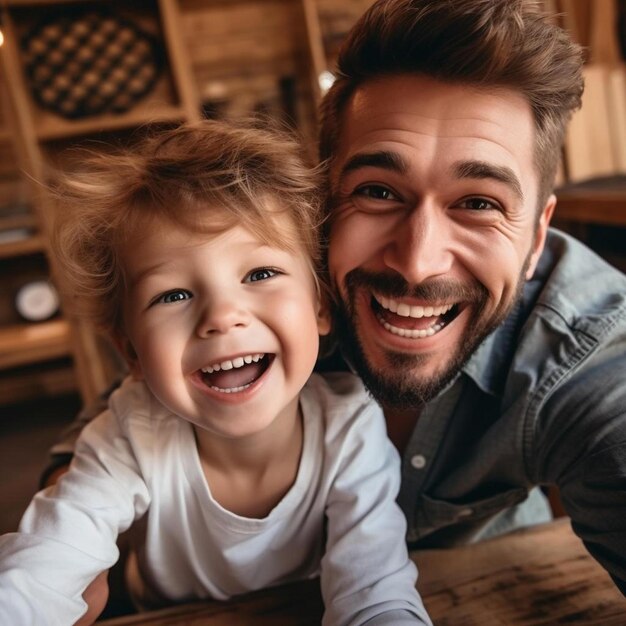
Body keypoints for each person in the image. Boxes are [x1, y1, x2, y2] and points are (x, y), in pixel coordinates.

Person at [37, 0, 626, 602]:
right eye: (377, 191)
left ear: (536, 237)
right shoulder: (274, 295)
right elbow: (135, 414)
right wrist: (69, 532)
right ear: (320, 206)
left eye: (478, 203)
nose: (418, 262)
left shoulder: (584, 353)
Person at [0, 120, 431, 626]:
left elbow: (375, 590)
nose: (222, 316)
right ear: (131, 353)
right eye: (173, 295)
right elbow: (41, 569)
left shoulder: (350, 427)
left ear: (320, 305)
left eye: (260, 274)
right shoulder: (129, 437)